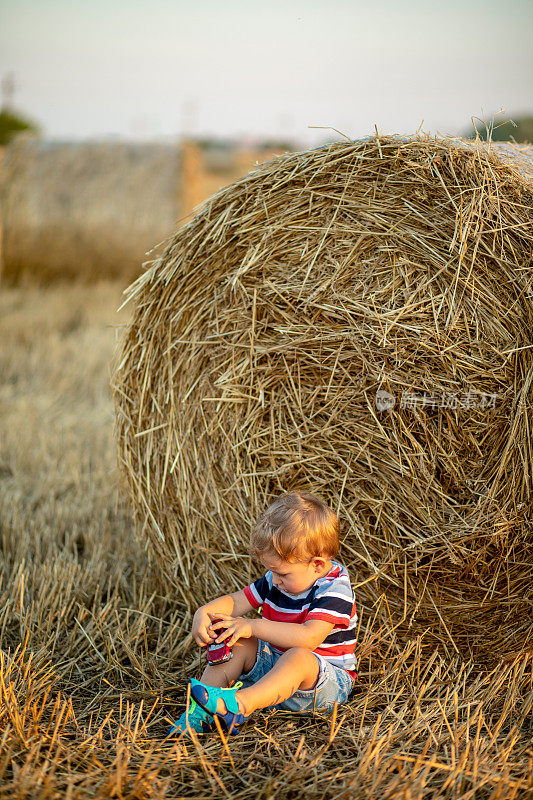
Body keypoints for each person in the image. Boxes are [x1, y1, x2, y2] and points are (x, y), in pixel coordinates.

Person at [168, 490, 358, 736]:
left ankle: (237, 706)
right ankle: (198, 712)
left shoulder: (335, 588)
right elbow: (238, 600)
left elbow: (308, 638)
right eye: (272, 571)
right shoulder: (277, 579)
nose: (275, 580)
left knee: (298, 657)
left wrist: (253, 625)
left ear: (317, 564)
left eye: (282, 574)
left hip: (322, 685)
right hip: (276, 673)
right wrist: (204, 612)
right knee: (239, 640)